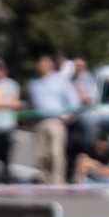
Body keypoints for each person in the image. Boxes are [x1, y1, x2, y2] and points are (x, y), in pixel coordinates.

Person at [25, 53, 80, 182]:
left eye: (45, 63)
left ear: (50, 65)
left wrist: (70, 113)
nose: (42, 66)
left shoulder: (60, 79)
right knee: (41, 154)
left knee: (56, 152)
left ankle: (57, 180)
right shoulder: (32, 82)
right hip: (38, 121)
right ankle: (44, 179)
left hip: (55, 120)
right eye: (40, 63)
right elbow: (29, 102)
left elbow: (73, 98)